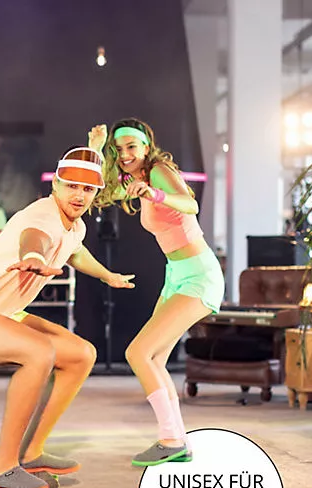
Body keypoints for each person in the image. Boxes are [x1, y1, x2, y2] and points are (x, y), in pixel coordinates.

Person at [0, 147, 135, 488]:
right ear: (55, 185)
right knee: (39, 351)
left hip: (0, 312)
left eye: (87, 189)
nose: (79, 195)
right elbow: (34, 237)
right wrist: (33, 256)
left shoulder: (75, 225)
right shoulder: (43, 213)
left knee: (81, 354)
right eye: (72, 186)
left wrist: (107, 275)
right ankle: (4, 469)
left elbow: (75, 251)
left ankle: (32, 453)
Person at [89, 118, 225, 467]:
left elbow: (191, 204)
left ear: (146, 147)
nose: (124, 155)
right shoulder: (133, 179)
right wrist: (94, 149)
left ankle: (170, 440)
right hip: (176, 274)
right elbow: (100, 194)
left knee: (138, 353)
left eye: (131, 147)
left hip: (199, 274)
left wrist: (156, 194)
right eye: (118, 149)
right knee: (155, 359)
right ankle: (178, 440)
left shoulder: (158, 171)